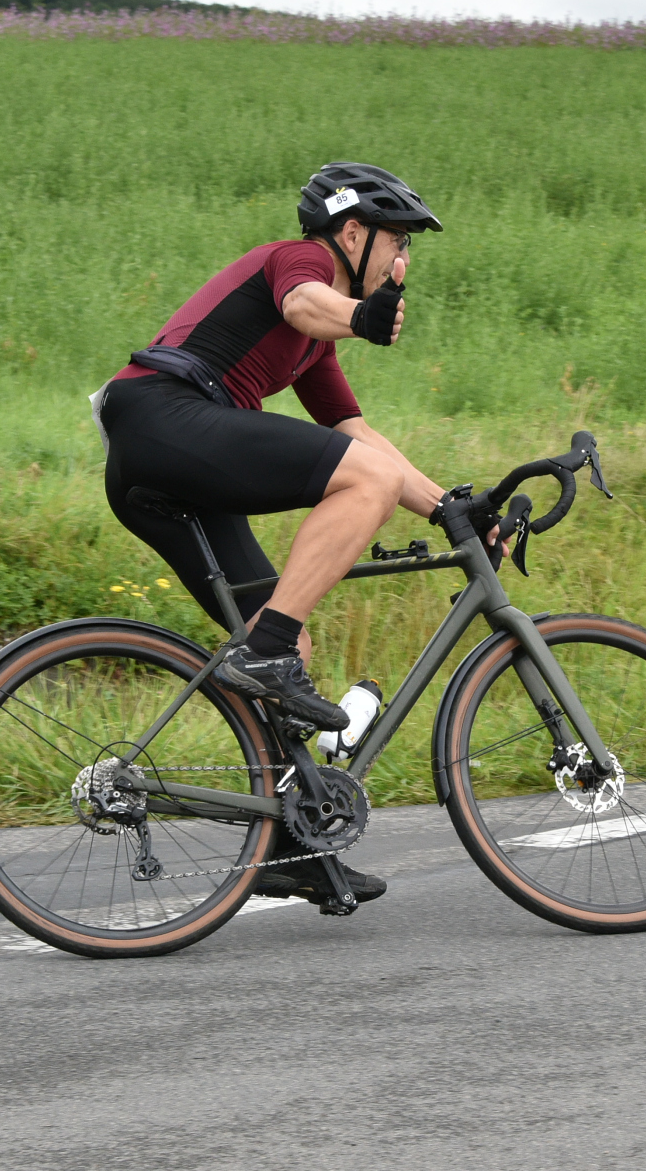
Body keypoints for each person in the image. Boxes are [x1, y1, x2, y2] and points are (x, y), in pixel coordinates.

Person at [95, 163, 481, 907]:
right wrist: (360, 316)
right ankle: (265, 652)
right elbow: (305, 302)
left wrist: (450, 509)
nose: (403, 262)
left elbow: (357, 432)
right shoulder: (298, 261)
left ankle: (286, 845)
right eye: (397, 242)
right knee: (357, 498)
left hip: (158, 461)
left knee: (289, 639)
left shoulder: (313, 348)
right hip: (167, 416)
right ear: (352, 233)